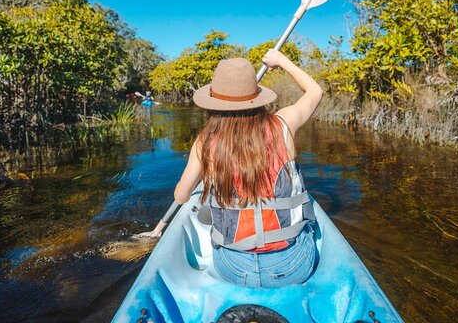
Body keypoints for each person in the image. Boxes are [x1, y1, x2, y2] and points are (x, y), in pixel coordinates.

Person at [137, 49, 323, 287]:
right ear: (257, 98)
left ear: (215, 102)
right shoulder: (284, 124)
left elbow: (181, 195)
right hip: (292, 265)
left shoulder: (205, 141)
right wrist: (282, 61)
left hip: (234, 268)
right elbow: (315, 91)